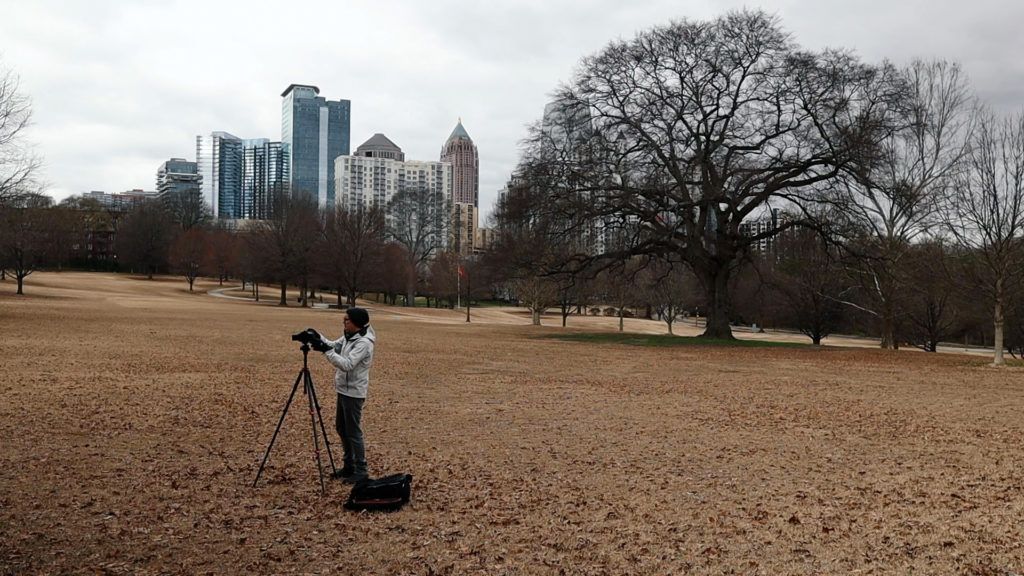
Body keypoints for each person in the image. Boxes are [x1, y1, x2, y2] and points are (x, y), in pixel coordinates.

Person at [316, 307, 376, 484]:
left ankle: (361, 469)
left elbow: (348, 364)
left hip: (354, 392)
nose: (343, 321)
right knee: (341, 428)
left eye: (347, 319)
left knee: (353, 431)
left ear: (356, 323)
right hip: (343, 389)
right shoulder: (350, 336)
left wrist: (326, 351)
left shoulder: (364, 342)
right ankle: (348, 465)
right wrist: (318, 338)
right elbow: (334, 345)